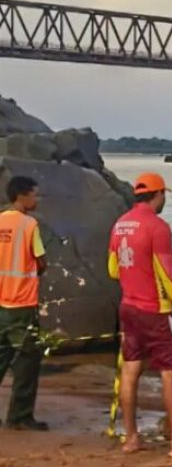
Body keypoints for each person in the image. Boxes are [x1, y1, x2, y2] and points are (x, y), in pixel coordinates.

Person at [107, 172, 172, 459]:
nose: (164, 200)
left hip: (128, 308)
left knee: (130, 370)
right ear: (158, 194)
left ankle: (132, 438)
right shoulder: (158, 227)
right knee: (171, 375)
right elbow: (169, 274)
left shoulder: (120, 224)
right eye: (164, 195)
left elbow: (112, 269)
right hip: (156, 311)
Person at [0, 176, 48, 431]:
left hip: (0, 303)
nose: (37, 199)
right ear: (22, 196)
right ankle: (20, 416)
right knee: (28, 359)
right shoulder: (29, 225)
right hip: (21, 302)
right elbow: (40, 260)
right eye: (35, 194)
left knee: (1, 356)